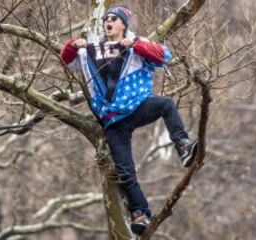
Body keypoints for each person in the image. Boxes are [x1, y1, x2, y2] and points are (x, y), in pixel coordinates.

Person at [59, 6, 198, 235]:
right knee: (124, 170)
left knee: (166, 105)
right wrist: (72, 44)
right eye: (106, 19)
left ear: (123, 24)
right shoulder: (90, 51)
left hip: (137, 106)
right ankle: (140, 213)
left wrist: (135, 45)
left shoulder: (136, 44)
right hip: (113, 119)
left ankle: (182, 144)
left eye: (113, 19)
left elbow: (163, 56)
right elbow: (67, 60)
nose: (108, 22)